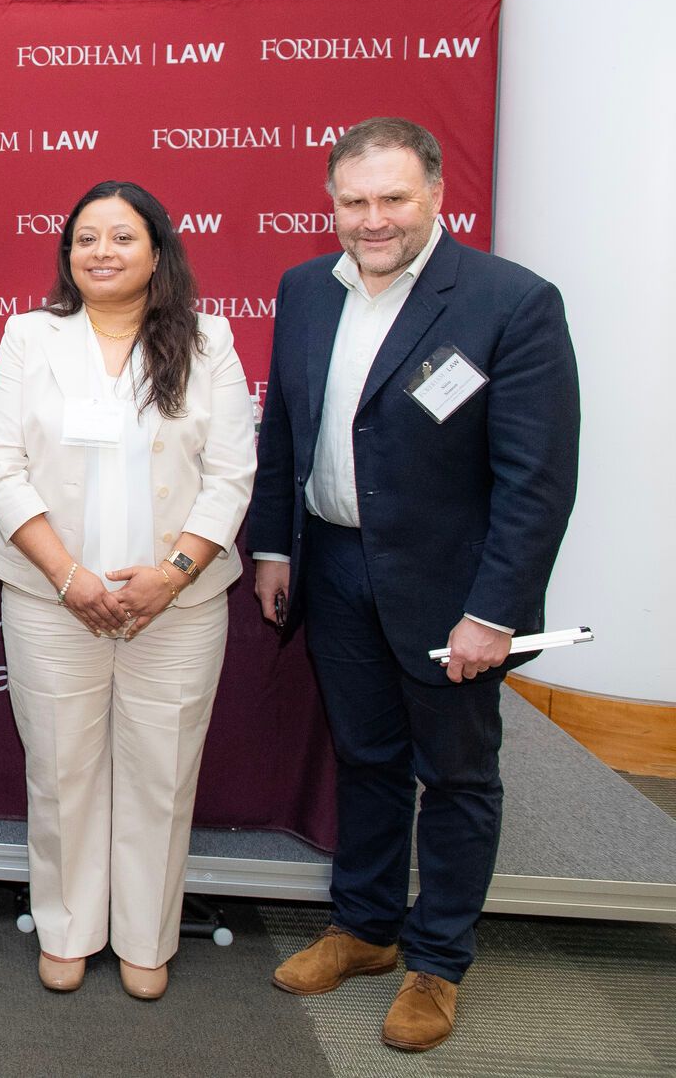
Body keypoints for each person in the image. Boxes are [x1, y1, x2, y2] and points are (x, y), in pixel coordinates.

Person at [250, 117, 579, 1051]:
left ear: (436, 193)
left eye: (392, 197)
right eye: (353, 200)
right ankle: (366, 929)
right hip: (335, 561)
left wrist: (494, 613)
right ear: (332, 202)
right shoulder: (305, 289)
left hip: (455, 589)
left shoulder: (510, 301)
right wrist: (275, 547)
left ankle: (439, 962)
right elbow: (288, 431)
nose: (373, 218)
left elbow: (536, 480)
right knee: (365, 755)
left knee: (461, 776)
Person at [0, 181, 255, 1000]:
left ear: (157, 251)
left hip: (178, 603)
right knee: (60, 769)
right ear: (67, 255)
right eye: (86, 238)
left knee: (161, 774)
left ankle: (145, 935)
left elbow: (233, 473)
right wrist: (68, 576)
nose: (102, 251)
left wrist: (173, 576)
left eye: (122, 237)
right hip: (50, 597)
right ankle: (66, 928)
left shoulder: (208, 341)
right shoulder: (30, 337)